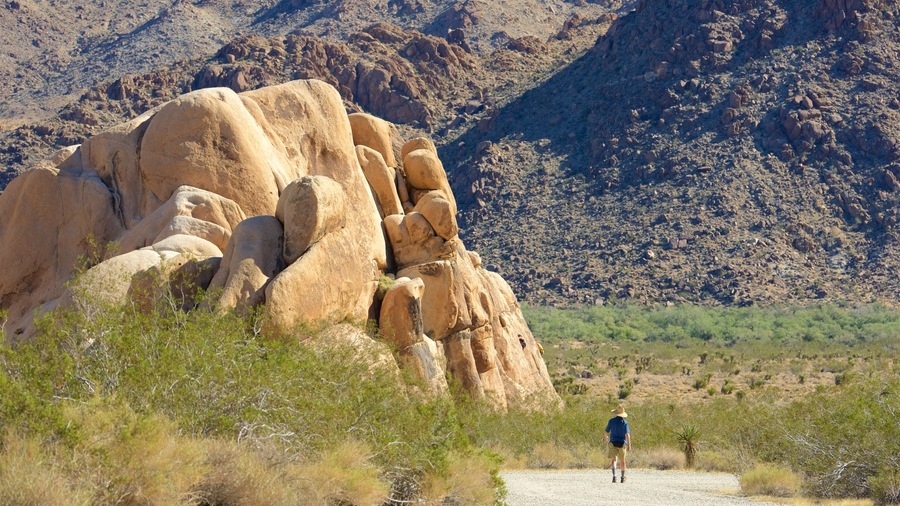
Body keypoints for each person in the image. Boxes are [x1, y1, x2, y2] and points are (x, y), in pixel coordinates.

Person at [605, 404, 631, 483]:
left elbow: (606, 432)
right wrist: (629, 445)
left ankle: (614, 476)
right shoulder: (625, 423)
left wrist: (606, 438)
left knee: (614, 460)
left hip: (613, 442)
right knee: (622, 460)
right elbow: (627, 435)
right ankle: (622, 477)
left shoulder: (611, 421)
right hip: (622, 443)